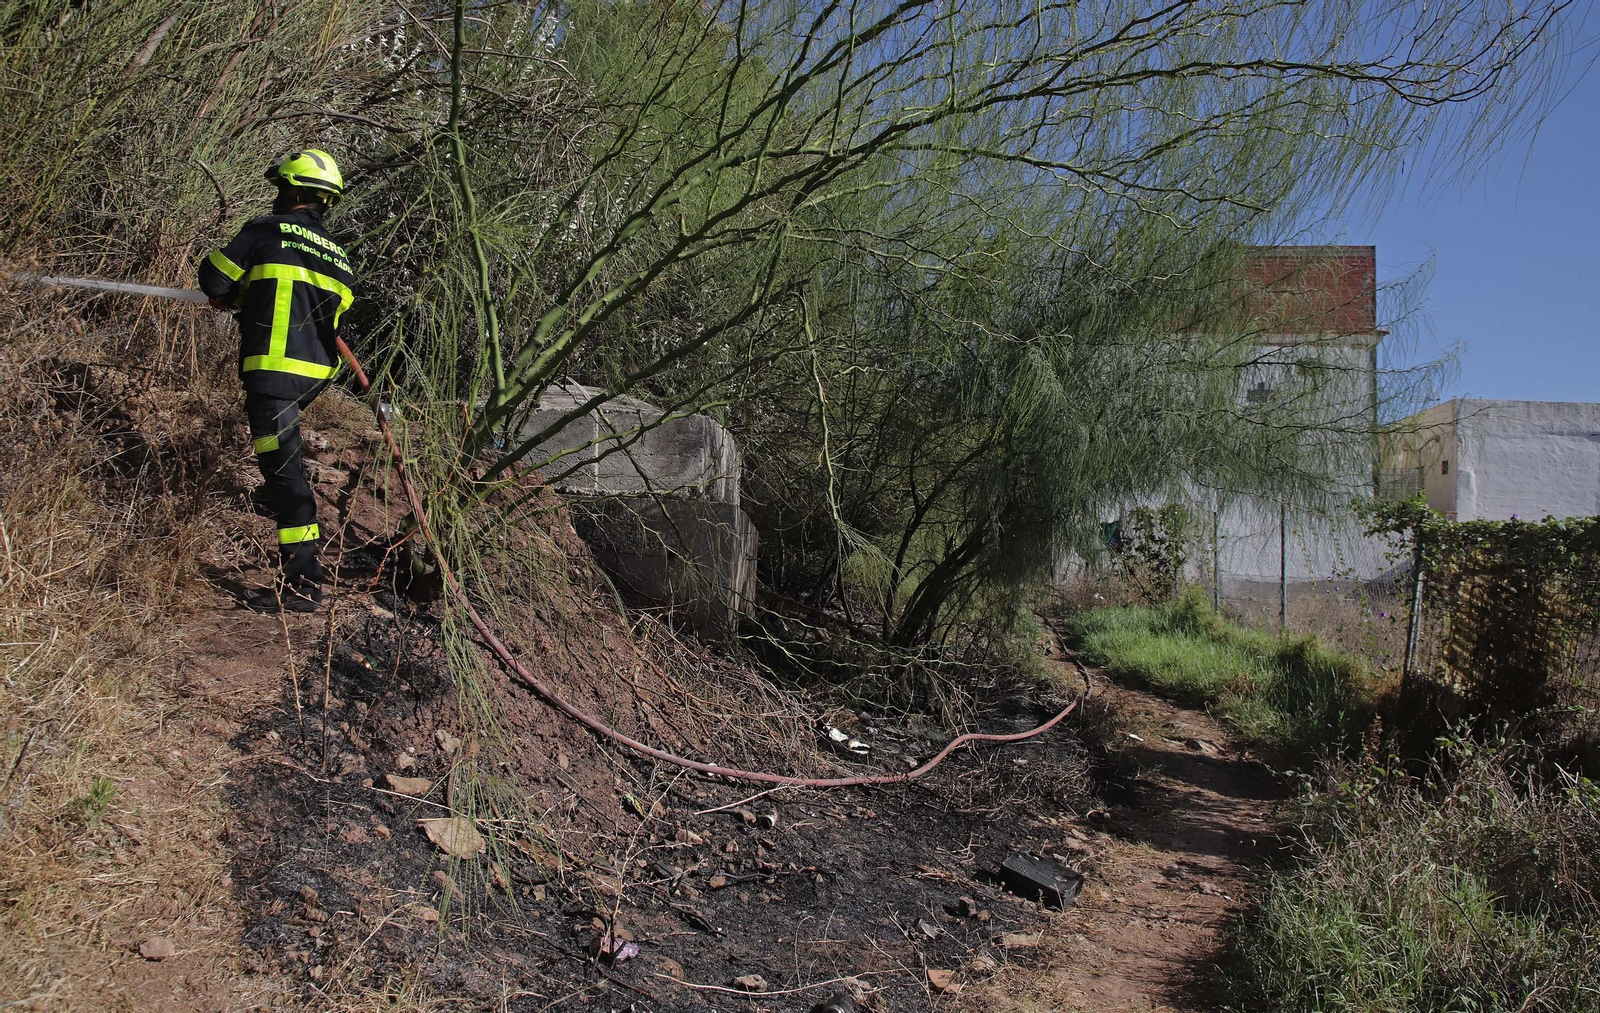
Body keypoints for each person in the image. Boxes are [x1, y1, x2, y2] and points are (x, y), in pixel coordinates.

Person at [199, 149, 356, 613]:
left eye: (280, 187)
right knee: (284, 471)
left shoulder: (266, 230)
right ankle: (301, 574)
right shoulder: (340, 260)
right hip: (311, 380)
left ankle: (303, 587)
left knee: (286, 478)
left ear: (292, 190)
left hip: (273, 376)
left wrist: (235, 295)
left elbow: (213, 278)